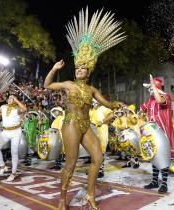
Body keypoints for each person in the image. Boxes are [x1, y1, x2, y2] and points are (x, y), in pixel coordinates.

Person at [44, 7, 126, 210]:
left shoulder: (91, 89)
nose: (79, 70)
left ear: (88, 71)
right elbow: (47, 86)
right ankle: (62, 199)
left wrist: (118, 104)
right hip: (71, 123)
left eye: (83, 69)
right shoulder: (68, 84)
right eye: (77, 68)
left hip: (86, 125)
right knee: (70, 163)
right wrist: (54, 69)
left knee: (98, 157)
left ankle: (90, 195)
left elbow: (107, 104)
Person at [140, 76, 174, 193]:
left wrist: (153, 86)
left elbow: (159, 101)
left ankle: (164, 183)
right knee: (154, 155)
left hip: (163, 131)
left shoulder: (166, 97)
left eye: (152, 87)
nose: (150, 89)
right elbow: (142, 109)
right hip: (151, 133)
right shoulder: (150, 100)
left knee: (163, 156)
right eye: (150, 88)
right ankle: (155, 181)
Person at [0, 95, 27, 182]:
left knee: (14, 152)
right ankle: (3, 167)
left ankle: (13, 173)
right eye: (9, 98)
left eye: (12, 98)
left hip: (16, 132)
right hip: (5, 131)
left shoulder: (18, 109)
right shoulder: (3, 107)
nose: (9, 99)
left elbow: (25, 109)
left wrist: (16, 99)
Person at [89, 99, 112, 177]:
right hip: (92, 131)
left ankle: (101, 171)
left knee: (101, 151)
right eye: (93, 102)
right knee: (92, 152)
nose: (94, 103)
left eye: (95, 101)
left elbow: (111, 114)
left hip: (101, 131)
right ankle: (94, 170)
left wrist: (102, 121)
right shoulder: (91, 110)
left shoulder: (103, 108)